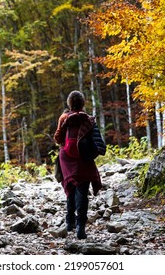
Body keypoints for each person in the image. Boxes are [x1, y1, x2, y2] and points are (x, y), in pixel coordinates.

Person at [53, 90, 102, 239]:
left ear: (69, 103)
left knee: (70, 187)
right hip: (84, 158)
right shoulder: (88, 119)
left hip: (66, 157)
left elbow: (57, 138)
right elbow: (95, 140)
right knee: (82, 191)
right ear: (83, 103)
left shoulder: (64, 117)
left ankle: (69, 222)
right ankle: (81, 227)